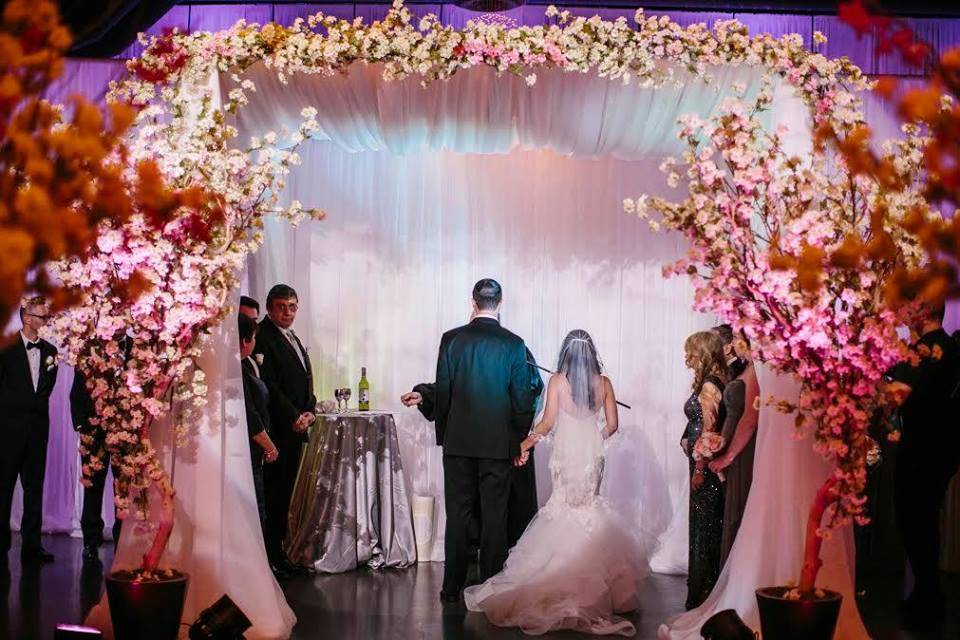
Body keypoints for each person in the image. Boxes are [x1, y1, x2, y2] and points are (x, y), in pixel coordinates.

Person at [464, 330, 650, 635]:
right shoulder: (603, 383)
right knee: (588, 508)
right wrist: (593, 440)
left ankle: (558, 573)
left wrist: (523, 445)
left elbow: (548, 422)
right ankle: (602, 586)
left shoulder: (558, 382)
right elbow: (614, 425)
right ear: (591, 353)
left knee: (562, 507)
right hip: (592, 457)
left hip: (565, 455)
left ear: (566, 353)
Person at [434, 278, 536, 603]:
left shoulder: (451, 340)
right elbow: (522, 400)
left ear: (473, 302)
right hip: (497, 446)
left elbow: (444, 393)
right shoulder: (514, 344)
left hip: (458, 444)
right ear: (500, 303)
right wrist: (519, 442)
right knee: (495, 517)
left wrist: (444, 438)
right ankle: (489, 587)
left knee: (459, 515)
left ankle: (452, 587)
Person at [402, 331, 544, 548]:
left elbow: (531, 389)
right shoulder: (463, 349)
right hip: (470, 449)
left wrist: (519, 441)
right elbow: (450, 389)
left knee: (504, 518)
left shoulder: (513, 348)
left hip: (502, 448)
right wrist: (424, 395)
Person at [884, 302, 960, 630]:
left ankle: (928, 600)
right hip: (944, 448)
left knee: (913, 521)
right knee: (926, 521)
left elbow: (895, 398)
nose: (905, 315)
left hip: (920, 449)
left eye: (909, 309)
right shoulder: (953, 346)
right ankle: (927, 596)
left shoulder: (923, 350)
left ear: (922, 312)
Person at [253, 284, 316, 576]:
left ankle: (279, 553)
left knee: (284, 494)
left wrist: (309, 411)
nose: (287, 312)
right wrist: (293, 416)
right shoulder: (264, 336)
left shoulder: (291, 336)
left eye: (292, 307)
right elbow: (270, 386)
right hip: (277, 429)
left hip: (295, 426)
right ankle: (271, 556)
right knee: (275, 494)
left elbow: (303, 379)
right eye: (281, 306)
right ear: (269, 308)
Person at [0, 297, 59, 564]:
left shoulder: (50, 351)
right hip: (9, 431)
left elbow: (47, 389)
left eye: (47, 317)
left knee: (34, 488)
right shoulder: (6, 348)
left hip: (37, 431)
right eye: (42, 317)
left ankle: (31, 547)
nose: (46, 322)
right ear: (26, 318)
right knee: (4, 487)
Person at [680, 330, 727, 610]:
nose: (687, 358)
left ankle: (703, 592)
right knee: (705, 523)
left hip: (705, 465)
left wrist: (699, 467)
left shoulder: (711, 384)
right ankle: (703, 588)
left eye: (692, 353)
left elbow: (710, 429)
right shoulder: (714, 380)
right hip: (699, 459)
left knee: (705, 524)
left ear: (704, 354)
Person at [708, 330, 759, 567]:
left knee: (738, 507)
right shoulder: (746, 369)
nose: (732, 343)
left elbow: (749, 420)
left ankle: (737, 570)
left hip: (742, 450)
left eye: (737, 338)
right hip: (733, 443)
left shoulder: (756, 372)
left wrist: (729, 456)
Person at [239, 314, 282, 575]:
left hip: (253, 451)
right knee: (255, 511)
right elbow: (250, 416)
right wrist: (270, 446)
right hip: (250, 451)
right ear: (245, 341)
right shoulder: (237, 371)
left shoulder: (244, 366)